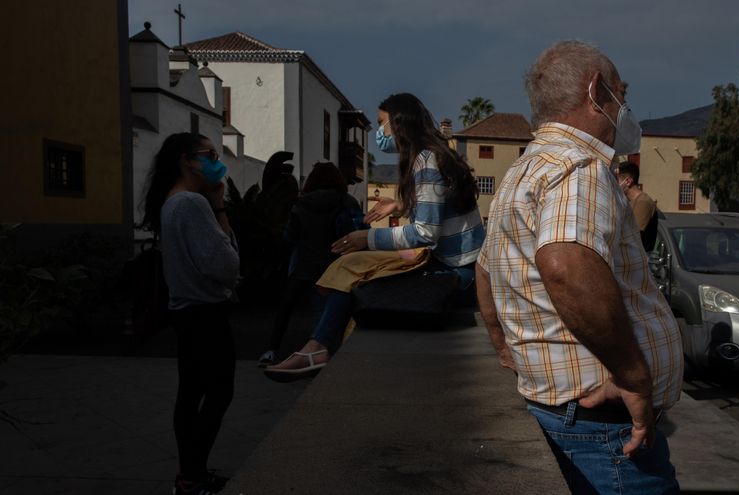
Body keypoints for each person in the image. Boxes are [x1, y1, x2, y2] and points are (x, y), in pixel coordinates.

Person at [476, 41, 683, 494]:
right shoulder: (581, 168)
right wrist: (632, 376)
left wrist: (505, 346)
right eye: (622, 94)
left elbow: (486, 269)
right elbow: (565, 265)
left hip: (566, 412)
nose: (626, 107)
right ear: (596, 92)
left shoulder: (522, 170)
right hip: (605, 428)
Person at [265, 92, 485, 377]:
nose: (380, 133)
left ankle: (318, 346)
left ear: (398, 123)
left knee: (357, 269)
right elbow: (443, 206)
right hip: (459, 268)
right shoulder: (435, 154)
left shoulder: (426, 161)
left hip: (457, 275)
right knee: (354, 266)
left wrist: (366, 239)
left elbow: (425, 233)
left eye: (382, 123)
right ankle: (318, 346)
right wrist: (402, 204)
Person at [140, 133, 240, 495]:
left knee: (191, 394)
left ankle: (190, 475)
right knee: (218, 393)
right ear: (187, 160)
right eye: (209, 154)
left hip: (185, 313)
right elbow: (226, 266)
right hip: (205, 314)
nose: (216, 160)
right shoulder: (191, 205)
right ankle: (191, 478)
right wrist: (220, 208)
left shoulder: (172, 203)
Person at [258, 162, 366, 366]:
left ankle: (272, 350)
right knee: (324, 312)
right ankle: (321, 353)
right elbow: (358, 230)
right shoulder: (346, 201)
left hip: (303, 266)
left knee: (286, 310)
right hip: (335, 265)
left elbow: (290, 236)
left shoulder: (301, 204)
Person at [617, 160, 659, 251]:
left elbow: (632, 235)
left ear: (628, 181)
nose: (614, 185)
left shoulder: (643, 202)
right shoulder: (629, 202)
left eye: (616, 181)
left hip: (640, 260)